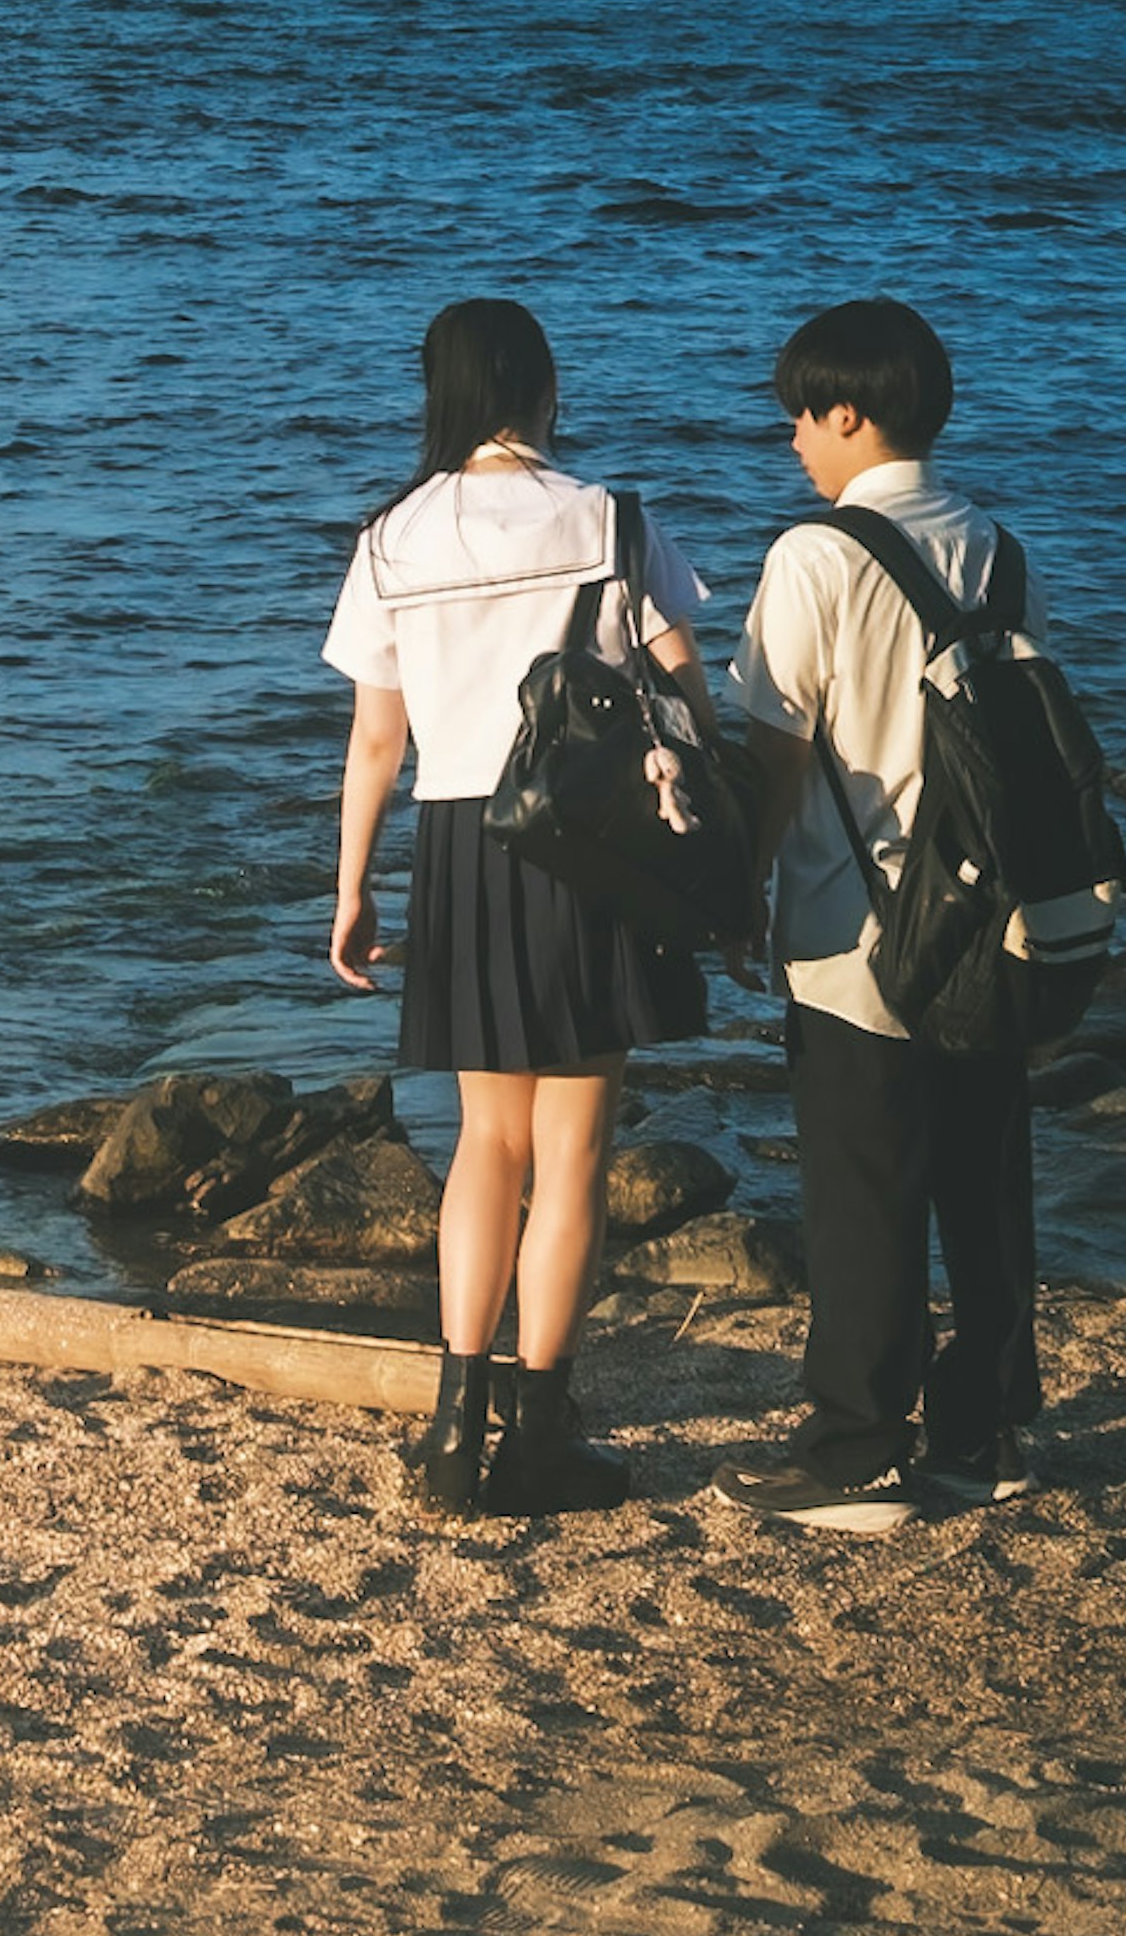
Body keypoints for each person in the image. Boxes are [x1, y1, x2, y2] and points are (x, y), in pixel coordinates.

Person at [326, 295, 727, 1516]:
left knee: (483, 1144)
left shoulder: (393, 536)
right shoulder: (607, 516)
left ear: (437, 390)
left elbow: (376, 735)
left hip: (459, 843)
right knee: (574, 1150)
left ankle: (456, 1431)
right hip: (584, 840)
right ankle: (541, 1429)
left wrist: (351, 887)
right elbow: (687, 692)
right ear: (543, 387)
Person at [709, 294, 1045, 1532]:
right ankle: (992, 1433)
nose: (796, 440)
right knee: (984, 1183)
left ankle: (856, 1453)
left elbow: (778, 754)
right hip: (994, 922)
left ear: (849, 411)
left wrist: (738, 889)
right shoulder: (1002, 549)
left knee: (865, 1193)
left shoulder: (817, 555)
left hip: (858, 933)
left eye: (803, 416)